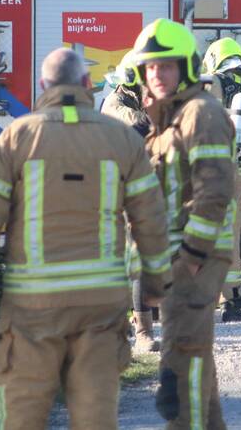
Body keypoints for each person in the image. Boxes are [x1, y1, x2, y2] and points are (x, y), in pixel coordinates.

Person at [0, 48, 172, 429]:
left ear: (44, 85)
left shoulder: (17, 137)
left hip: (33, 303)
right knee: (95, 413)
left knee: (22, 412)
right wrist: (156, 281)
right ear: (87, 84)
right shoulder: (121, 139)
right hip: (99, 304)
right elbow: (151, 218)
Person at [134, 19, 235, 430]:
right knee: (195, 352)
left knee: (181, 358)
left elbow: (215, 191)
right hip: (178, 255)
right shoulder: (167, 119)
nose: (157, 74)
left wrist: (191, 256)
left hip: (197, 255)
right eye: (150, 67)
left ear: (187, 68)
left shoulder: (200, 113)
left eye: (167, 65)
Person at [100, 51, 159, 353]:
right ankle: (137, 331)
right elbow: (141, 126)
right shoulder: (116, 105)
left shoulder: (139, 102)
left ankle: (140, 328)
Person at [201, 37, 241, 323]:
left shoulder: (207, 85)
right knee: (231, 232)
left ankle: (216, 295)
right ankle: (232, 293)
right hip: (237, 171)